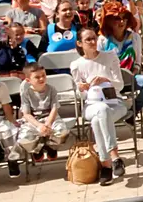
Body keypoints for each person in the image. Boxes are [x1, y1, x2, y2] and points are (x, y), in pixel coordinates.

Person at [71, 28, 126, 186]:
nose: (93, 42)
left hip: (114, 102)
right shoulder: (77, 65)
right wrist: (82, 88)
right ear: (80, 43)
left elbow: (120, 85)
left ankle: (106, 165)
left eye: (94, 38)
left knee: (98, 120)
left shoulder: (109, 56)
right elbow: (80, 96)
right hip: (92, 104)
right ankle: (115, 156)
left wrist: (105, 79)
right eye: (88, 39)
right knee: (100, 110)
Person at [15, 62, 73, 161]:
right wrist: (39, 125)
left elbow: (54, 108)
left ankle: (51, 147)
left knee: (62, 133)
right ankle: (38, 149)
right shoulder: (26, 94)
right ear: (28, 80)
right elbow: (27, 114)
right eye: (37, 77)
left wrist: (48, 123)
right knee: (24, 138)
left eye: (43, 75)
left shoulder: (51, 89)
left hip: (50, 117)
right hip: (34, 120)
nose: (42, 79)